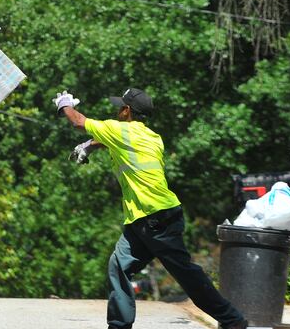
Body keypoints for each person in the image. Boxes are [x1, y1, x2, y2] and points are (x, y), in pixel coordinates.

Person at [53, 88, 247, 329]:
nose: (116, 111)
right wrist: (91, 145)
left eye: (119, 107)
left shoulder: (120, 130)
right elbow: (115, 141)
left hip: (156, 219)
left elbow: (79, 121)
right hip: (144, 219)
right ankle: (119, 325)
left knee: (187, 276)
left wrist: (64, 104)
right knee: (119, 266)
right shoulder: (152, 137)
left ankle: (232, 320)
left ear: (126, 111)